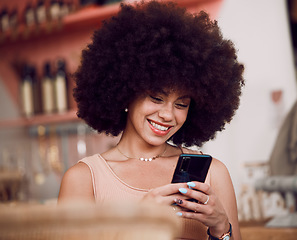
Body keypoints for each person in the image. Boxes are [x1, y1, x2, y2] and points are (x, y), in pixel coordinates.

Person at [58, 1, 245, 239]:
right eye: (157, 97)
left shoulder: (213, 174)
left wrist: (221, 228)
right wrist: (137, 226)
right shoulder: (83, 180)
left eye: (181, 104)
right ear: (126, 91)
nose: (168, 114)